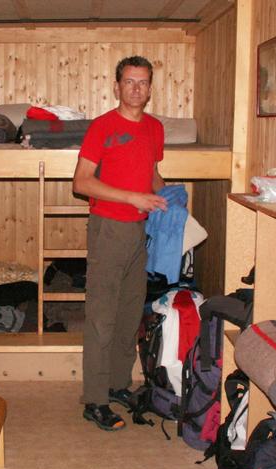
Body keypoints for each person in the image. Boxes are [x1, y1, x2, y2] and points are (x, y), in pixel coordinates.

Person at [73, 56, 167, 431]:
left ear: (150, 88)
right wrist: (131, 197)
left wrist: (168, 199)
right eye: (129, 82)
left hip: (139, 231)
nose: (136, 89)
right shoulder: (102, 127)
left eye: (142, 82)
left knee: (130, 314)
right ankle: (95, 400)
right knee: (102, 317)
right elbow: (81, 182)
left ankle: (117, 384)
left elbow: (152, 174)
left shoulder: (155, 128)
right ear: (117, 87)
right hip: (109, 229)